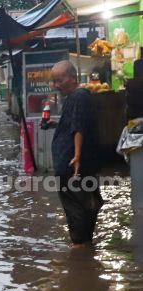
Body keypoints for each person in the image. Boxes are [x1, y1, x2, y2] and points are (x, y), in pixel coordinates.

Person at [46, 60, 103, 248]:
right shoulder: (75, 97)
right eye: (54, 81)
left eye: (59, 80)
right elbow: (75, 124)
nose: (56, 85)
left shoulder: (79, 96)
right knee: (84, 203)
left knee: (76, 207)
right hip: (75, 163)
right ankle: (85, 246)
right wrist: (55, 124)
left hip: (73, 165)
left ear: (72, 77)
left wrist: (76, 156)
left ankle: (80, 250)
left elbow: (78, 128)